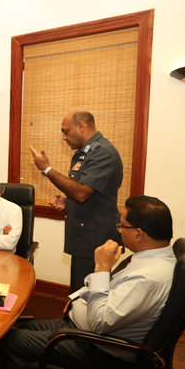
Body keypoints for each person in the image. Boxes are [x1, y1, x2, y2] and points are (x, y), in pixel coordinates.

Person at [0, 196, 175, 369]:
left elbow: (101, 323)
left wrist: (101, 267)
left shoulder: (148, 277)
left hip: (101, 351)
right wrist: (77, 298)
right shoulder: (155, 261)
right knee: (24, 328)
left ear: (139, 233)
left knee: (11, 342)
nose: (118, 230)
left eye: (122, 225)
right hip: (85, 331)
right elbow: (111, 296)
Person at [29, 108, 123, 293]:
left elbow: (81, 193)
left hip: (95, 238)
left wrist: (47, 170)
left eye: (66, 131)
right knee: (79, 290)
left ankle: (76, 322)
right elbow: (89, 192)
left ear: (81, 126)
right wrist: (67, 202)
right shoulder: (85, 152)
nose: (64, 137)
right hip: (85, 233)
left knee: (86, 293)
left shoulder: (102, 152)